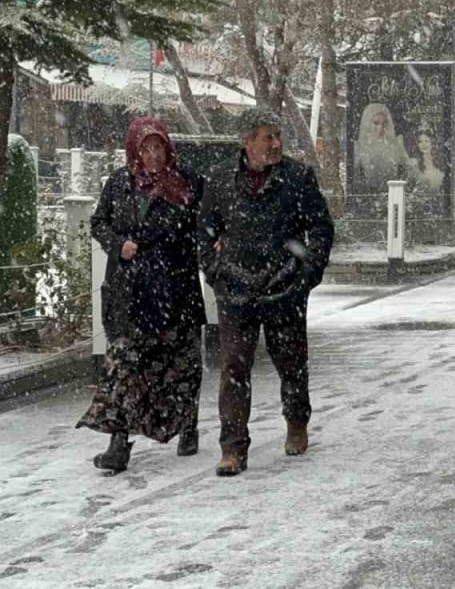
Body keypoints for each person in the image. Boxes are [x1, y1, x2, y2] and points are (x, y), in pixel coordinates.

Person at [200, 108, 335, 477]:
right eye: (267, 137)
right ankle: (232, 447)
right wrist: (217, 273)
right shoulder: (221, 178)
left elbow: (321, 229)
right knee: (234, 369)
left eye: (278, 136)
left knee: (291, 364)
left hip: (284, 288)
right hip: (237, 290)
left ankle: (296, 421)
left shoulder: (297, 177)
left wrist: (306, 275)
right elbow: (205, 232)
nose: (275, 144)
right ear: (247, 142)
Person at [77, 117, 206, 473]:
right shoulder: (119, 182)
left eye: (158, 147)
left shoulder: (187, 181)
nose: (152, 155)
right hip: (130, 291)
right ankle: (118, 443)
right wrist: (120, 245)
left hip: (175, 288)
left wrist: (188, 251)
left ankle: (187, 424)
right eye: (145, 148)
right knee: (123, 366)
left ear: (168, 147)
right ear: (135, 149)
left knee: (180, 364)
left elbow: (207, 224)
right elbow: (98, 222)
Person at [354, 102, 410, 192]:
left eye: (384, 124)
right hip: (367, 197)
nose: (380, 128)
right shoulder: (359, 147)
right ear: (367, 123)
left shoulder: (396, 145)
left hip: (394, 194)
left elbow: (408, 170)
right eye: (376, 123)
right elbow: (354, 177)